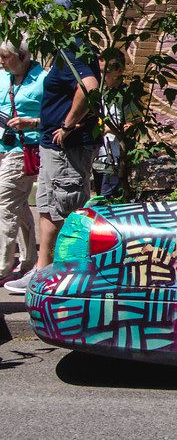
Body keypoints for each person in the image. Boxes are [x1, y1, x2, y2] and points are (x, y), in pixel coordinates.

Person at [5, 22, 100, 294]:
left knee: (66, 213)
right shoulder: (61, 50)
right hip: (50, 146)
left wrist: (69, 124)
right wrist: (36, 122)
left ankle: (72, 278)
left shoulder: (74, 50)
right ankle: (41, 273)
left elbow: (90, 88)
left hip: (66, 151)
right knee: (47, 208)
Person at [0, 40, 46, 285]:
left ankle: (2, 267)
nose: (2, 62)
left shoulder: (43, 80)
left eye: (6, 57)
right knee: (17, 204)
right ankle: (28, 260)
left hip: (23, 148)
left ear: (22, 56)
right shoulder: (2, 78)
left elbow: (53, 115)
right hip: (2, 147)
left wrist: (31, 122)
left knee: (4, 202)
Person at [93, 50, 138, 199]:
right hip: (100, 155)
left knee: (107, 197)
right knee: (100, 193)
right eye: (99, 71)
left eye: (105, 71)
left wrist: (110, 129)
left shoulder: (125, 95)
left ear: (119, 70)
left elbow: (134, 122)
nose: (101, 76)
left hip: (115, 157)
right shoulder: (102, 93)